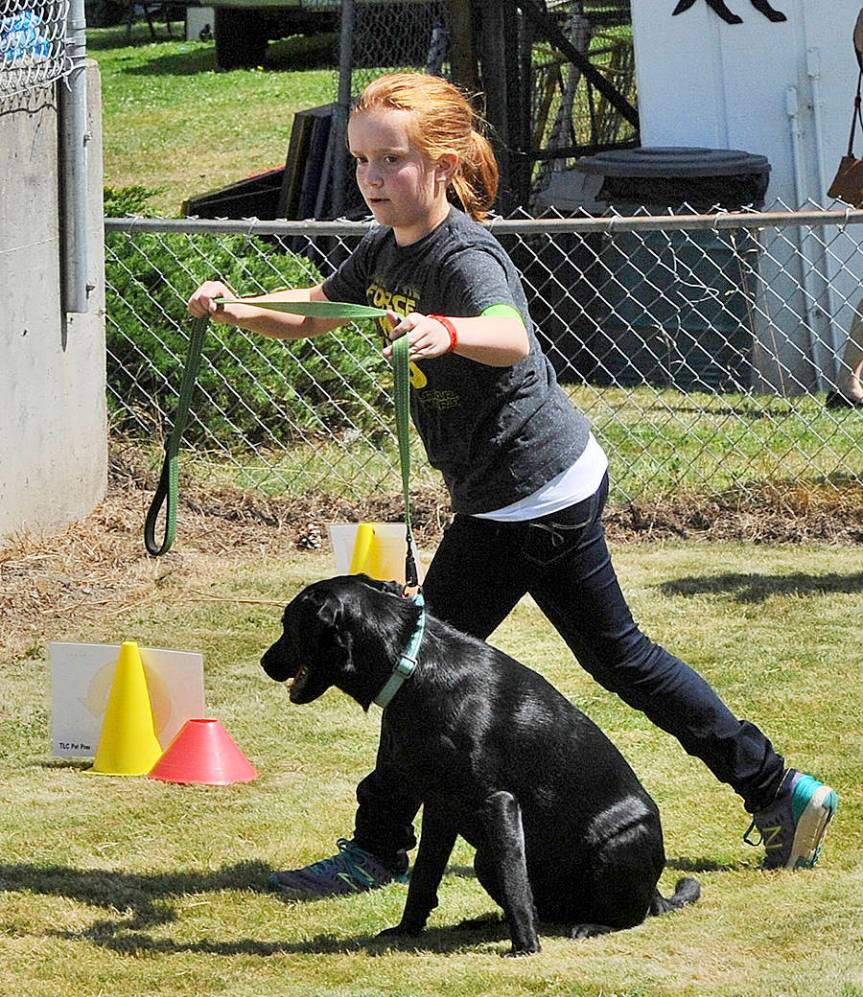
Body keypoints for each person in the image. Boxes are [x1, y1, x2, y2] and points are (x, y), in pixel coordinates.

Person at [188, 72, 838, 894]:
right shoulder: (387, 247)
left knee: (409, 666)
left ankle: (376, 847)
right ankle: (779, 789)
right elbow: (318, 307)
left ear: (442, 163)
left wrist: (445, 329)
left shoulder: (462, 254)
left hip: (526, 496)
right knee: (620, 656)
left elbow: (507, 334)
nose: (372, 178)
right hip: (545, 485)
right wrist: (237, 306)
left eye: (391, 160)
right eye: (361, 161)